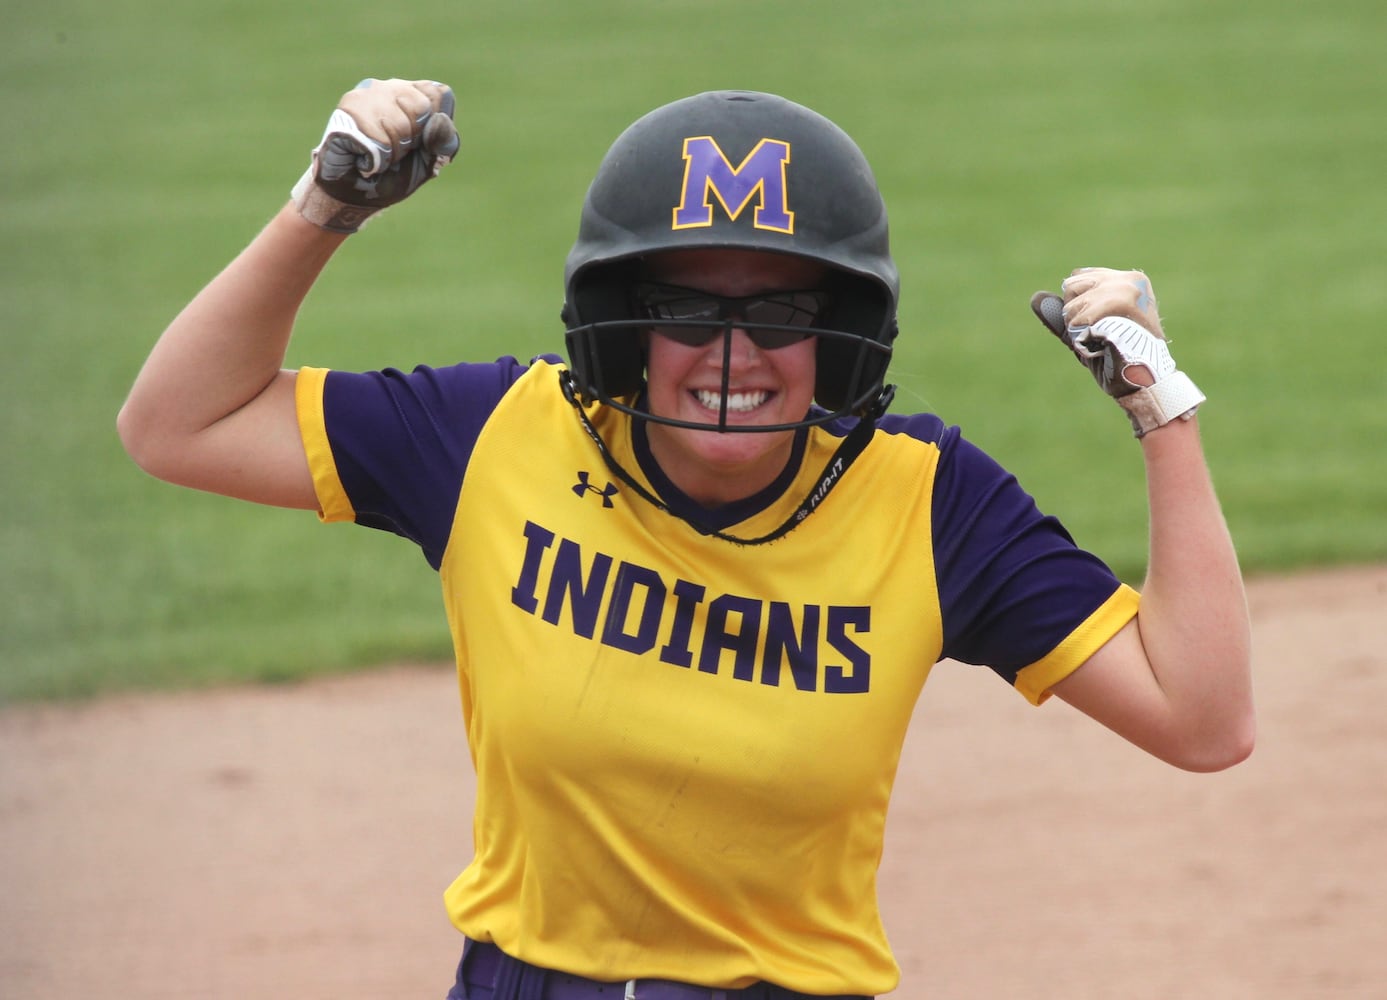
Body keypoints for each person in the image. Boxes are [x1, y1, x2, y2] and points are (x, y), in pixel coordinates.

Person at [117, 78, 1255, 999]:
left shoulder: (925, 500)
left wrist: (1162, 411)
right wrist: (325, 208)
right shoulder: (498, 435)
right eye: (683, 311)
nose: (731, 354)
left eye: (780, 313)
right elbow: (176, 425)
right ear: (620, 329)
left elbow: (1201, 720)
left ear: (841, 338)